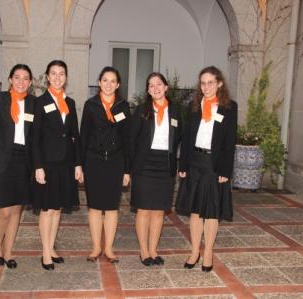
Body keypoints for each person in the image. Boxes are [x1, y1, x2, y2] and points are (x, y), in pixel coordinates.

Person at [175, 66, 237, 272]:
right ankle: (195, 251)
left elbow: (229, 143)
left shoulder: (229, 107)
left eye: (210, 82)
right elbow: (186, 137)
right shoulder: (194, 106)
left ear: (219, 83)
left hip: (214, 165)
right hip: (195, 162)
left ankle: (208, 252)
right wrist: (182, 165)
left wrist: (225, 172)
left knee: (211, 211)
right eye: (203, 82)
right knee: (195, 211)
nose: (206, 86)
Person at [0, 64, 35, 269]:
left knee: (16, 210)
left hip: (24, 161)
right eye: (17, 77)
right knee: (4, 211)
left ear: (30, 83)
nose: (21, 81)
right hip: (2, 160)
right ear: (10, 80)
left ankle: (9, 252)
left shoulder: (33, 103)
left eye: (25, 78)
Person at [33, 60, 83, 270]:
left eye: (61, 73)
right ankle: (45, 252)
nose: (57, 77)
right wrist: (38, 166)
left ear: (66, 77)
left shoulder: (69, 102)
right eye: (53, 73)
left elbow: (75, 135)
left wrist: (78, 164)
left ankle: (51, 247)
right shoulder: (40, 101)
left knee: (58, 208)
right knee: (47, 208)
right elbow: (34, 138)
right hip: (47, 163)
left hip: (66, 163)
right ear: (47, 77)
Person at [129, 72, 182, 266]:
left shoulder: (175, 111)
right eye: (151, 86)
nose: (156, 88)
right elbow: (131, 140)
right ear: (148, 91)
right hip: (145, 164)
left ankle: (153, 250)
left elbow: (178, 139)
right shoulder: (142, 110)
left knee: (159, 210)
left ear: (166, 87)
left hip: (165, 164)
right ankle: (144, 251)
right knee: (143, 210)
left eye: (159, 84)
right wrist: (131, 167)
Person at [80, 66, 130, 263]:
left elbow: (127, 140)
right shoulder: (90, 105)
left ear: (117, 85)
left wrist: (127, 169)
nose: (108, 84)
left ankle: (108, 248)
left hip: (116, 162)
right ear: (99, 82)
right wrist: (80, 166)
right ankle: (95, 247)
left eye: (113, 81)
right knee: (94, 207)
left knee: (111, 208)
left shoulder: (123, 106)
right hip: (94, 161)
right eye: (105, 80)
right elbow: (83, 136)